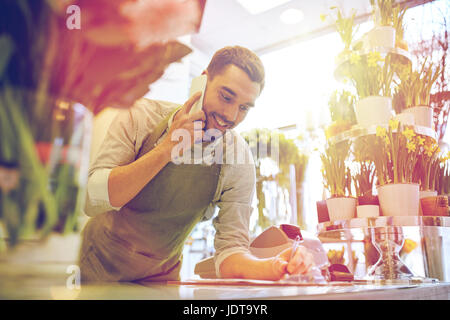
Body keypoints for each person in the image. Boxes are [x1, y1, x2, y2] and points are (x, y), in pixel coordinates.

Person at [78, 46, 314, 282]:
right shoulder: (141, 116)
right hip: (99, 266)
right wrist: (168, 148)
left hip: (161, 277)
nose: (231, 117)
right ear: (203, 81)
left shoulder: (237, 158)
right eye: (226, 97)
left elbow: (230, 252)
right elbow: (92, 200)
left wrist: (274, 266)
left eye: (243, 108)